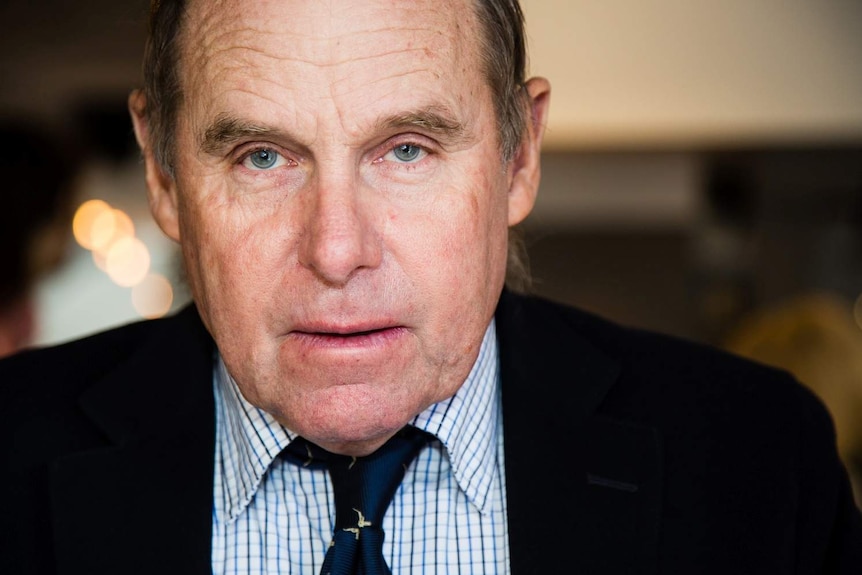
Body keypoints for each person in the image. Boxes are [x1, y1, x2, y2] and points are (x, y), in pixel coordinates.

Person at [1, 0, 860, 573]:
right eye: (262, 156)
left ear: (519, 155)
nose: (337, 251)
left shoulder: (759, 464)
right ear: (161, 173)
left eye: (407, 148)